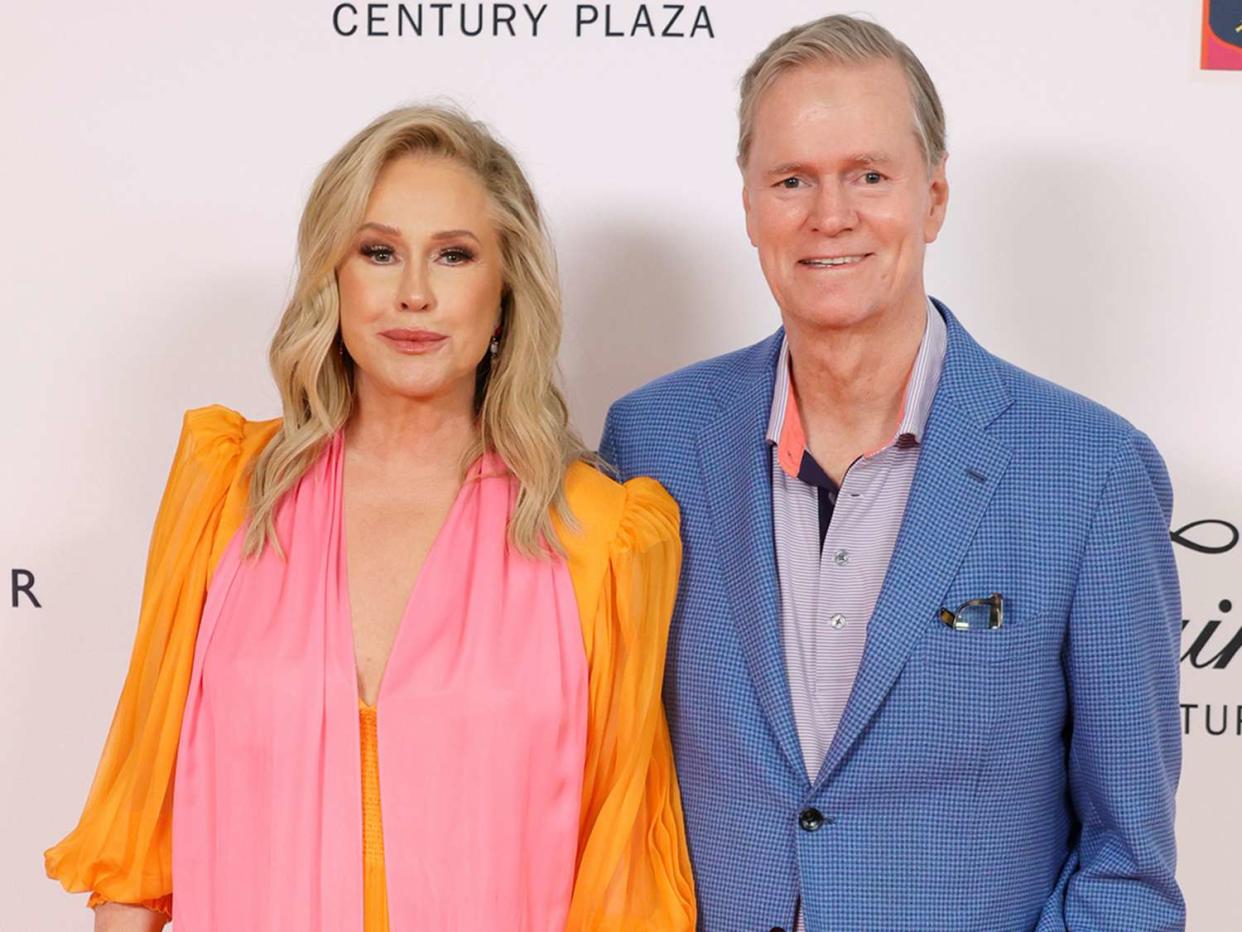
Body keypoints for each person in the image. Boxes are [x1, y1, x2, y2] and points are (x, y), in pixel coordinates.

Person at [45, 104, 695, 931]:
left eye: (453, 256)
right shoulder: (225, 498)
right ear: (334, 278)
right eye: (379, 252)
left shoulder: (604, 538)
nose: (414, 293)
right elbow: (137, 846)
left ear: (504, 291)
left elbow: (623, 881)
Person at [600, 15, 1184, 932]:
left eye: (869, 176)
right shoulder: (652, 442)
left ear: (935, 197)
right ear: (750, 205)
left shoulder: (1093, 472)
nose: (830, 216)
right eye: (792, 180)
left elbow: (1128, 862)